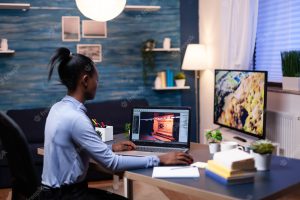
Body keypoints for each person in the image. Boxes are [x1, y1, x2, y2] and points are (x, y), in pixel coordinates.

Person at [41, 47, 194, 200]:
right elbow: (111, 163)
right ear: (86, 80)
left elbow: (77, 148)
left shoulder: (58, 108)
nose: (97, 84)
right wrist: (160, 159)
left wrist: (110, 147)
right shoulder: (76, 118)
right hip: (67, 195)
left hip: (52, 192)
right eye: (97, 79)